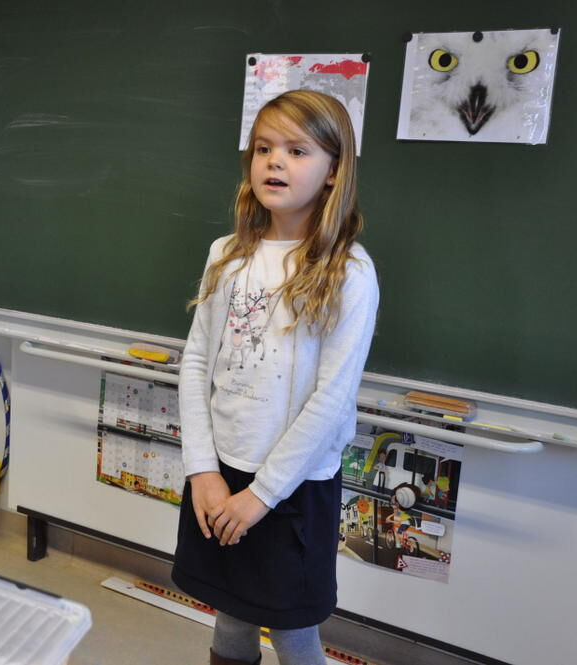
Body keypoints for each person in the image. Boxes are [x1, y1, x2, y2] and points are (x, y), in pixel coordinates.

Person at [172, 90, 380, 665]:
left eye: (296, 150)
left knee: (292, 631)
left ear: (334, 170)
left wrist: (260, 496)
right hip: (221, 472)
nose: (275, 162)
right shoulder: (227, 255)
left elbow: (332, 400)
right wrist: (202, 471)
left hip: (292, 487)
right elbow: (196, 362)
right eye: (264, 148)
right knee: (229, 613)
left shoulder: (349, 272)